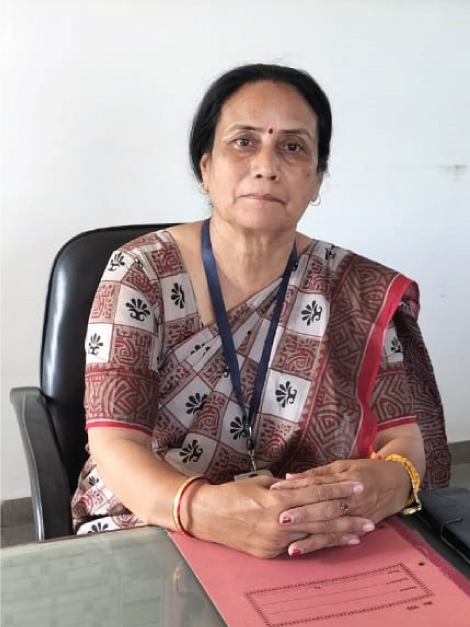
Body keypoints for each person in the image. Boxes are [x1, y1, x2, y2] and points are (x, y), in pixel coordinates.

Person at [72, 63, 450, 558]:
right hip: (160, 514)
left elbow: (403, 438)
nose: (267, 165)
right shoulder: (140, 273)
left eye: (293, 147)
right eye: (244, 141)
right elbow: (115, 445)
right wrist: (203, 510)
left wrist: (393, 482)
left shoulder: (356, 288)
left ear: (317, 180)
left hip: (309, 527)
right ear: (206, 166)